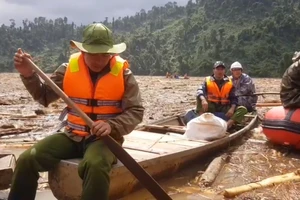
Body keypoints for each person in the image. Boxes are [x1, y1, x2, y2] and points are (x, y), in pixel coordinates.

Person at [8, 23, 144, 200]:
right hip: (72, 135)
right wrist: (28, 75)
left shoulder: (124, 74)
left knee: (95, 165)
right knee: (27, 159)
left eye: (104, 54)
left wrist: (111, 125)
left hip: (104, 139)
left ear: (111, 53)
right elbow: (43, 96)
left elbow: (136, 111)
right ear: (83, 51)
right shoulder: (68, 69)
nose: (98, 60)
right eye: (93, 54)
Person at [195, 61, 247, 129]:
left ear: (224, 71)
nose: (220, 71)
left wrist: (232, 108)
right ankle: (202, 121)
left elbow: (234, 98)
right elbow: (200, 90)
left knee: (242, 109)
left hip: (224, 107)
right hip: (211, 107)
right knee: (199, 97)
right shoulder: (207, 80)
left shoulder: (229, 82)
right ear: (213, 70)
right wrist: (203, 100)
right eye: (218, 69)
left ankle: (228, 124)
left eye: (222, 69)